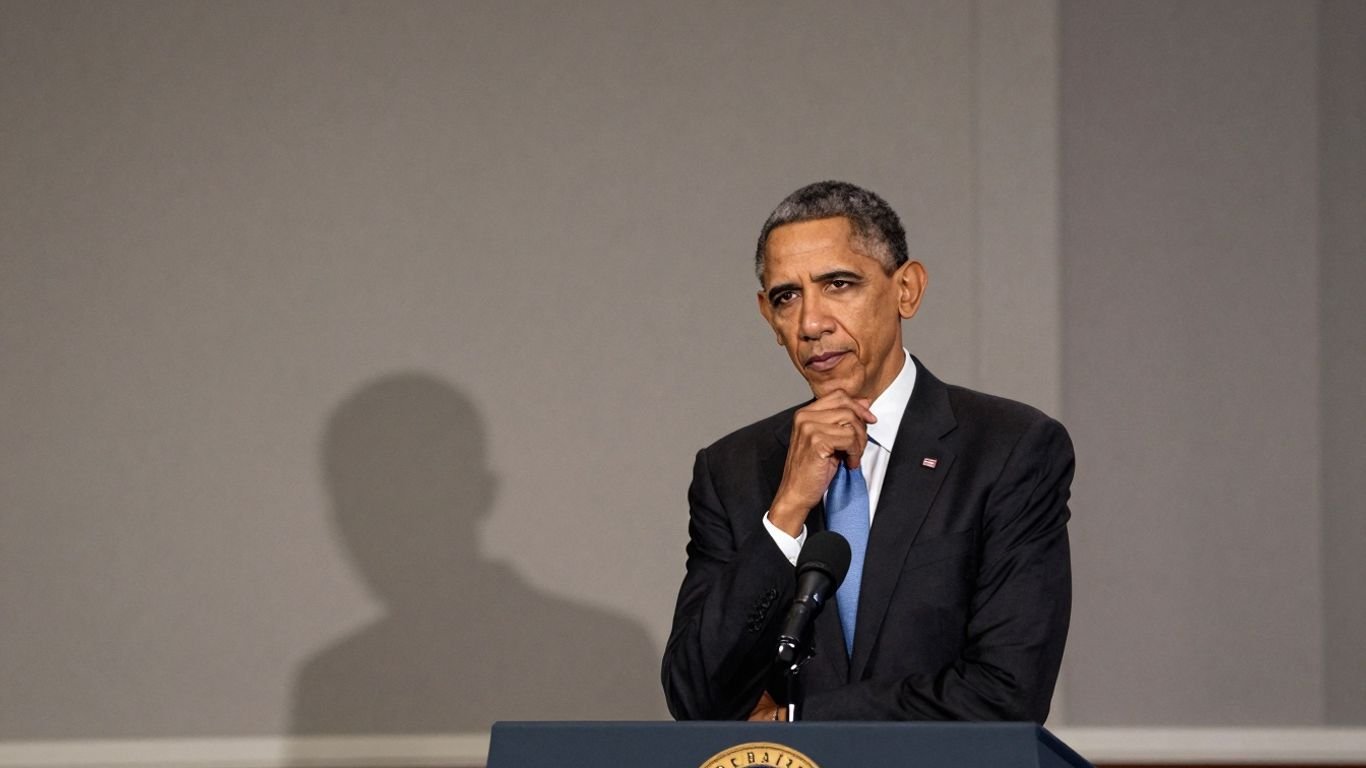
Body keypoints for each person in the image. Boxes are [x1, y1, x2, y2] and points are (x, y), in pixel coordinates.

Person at [661, 181, 1073, 722]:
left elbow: (1005, 694)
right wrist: (784, 516)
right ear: (768, 316)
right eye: (787, 296)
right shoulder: (731, 471)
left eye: (838, 284)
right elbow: (696, 700)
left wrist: (799, 720)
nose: (811, 323)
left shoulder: (1008, 449)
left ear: (907, 289)